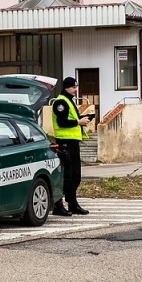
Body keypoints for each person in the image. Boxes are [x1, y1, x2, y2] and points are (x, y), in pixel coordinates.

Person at [49, 76, 93, 216]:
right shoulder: (60, 102)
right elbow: (62, 123)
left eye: (76, 87)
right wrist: (79, 122)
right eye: (73, 87)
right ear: (66, 87)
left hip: (73, 142)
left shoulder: (69, 101)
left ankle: (72, 204)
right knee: (66, 176)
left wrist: (82, 120)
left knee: (75, 176)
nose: (76, 90)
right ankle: (58, 205)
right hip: (65, 142)